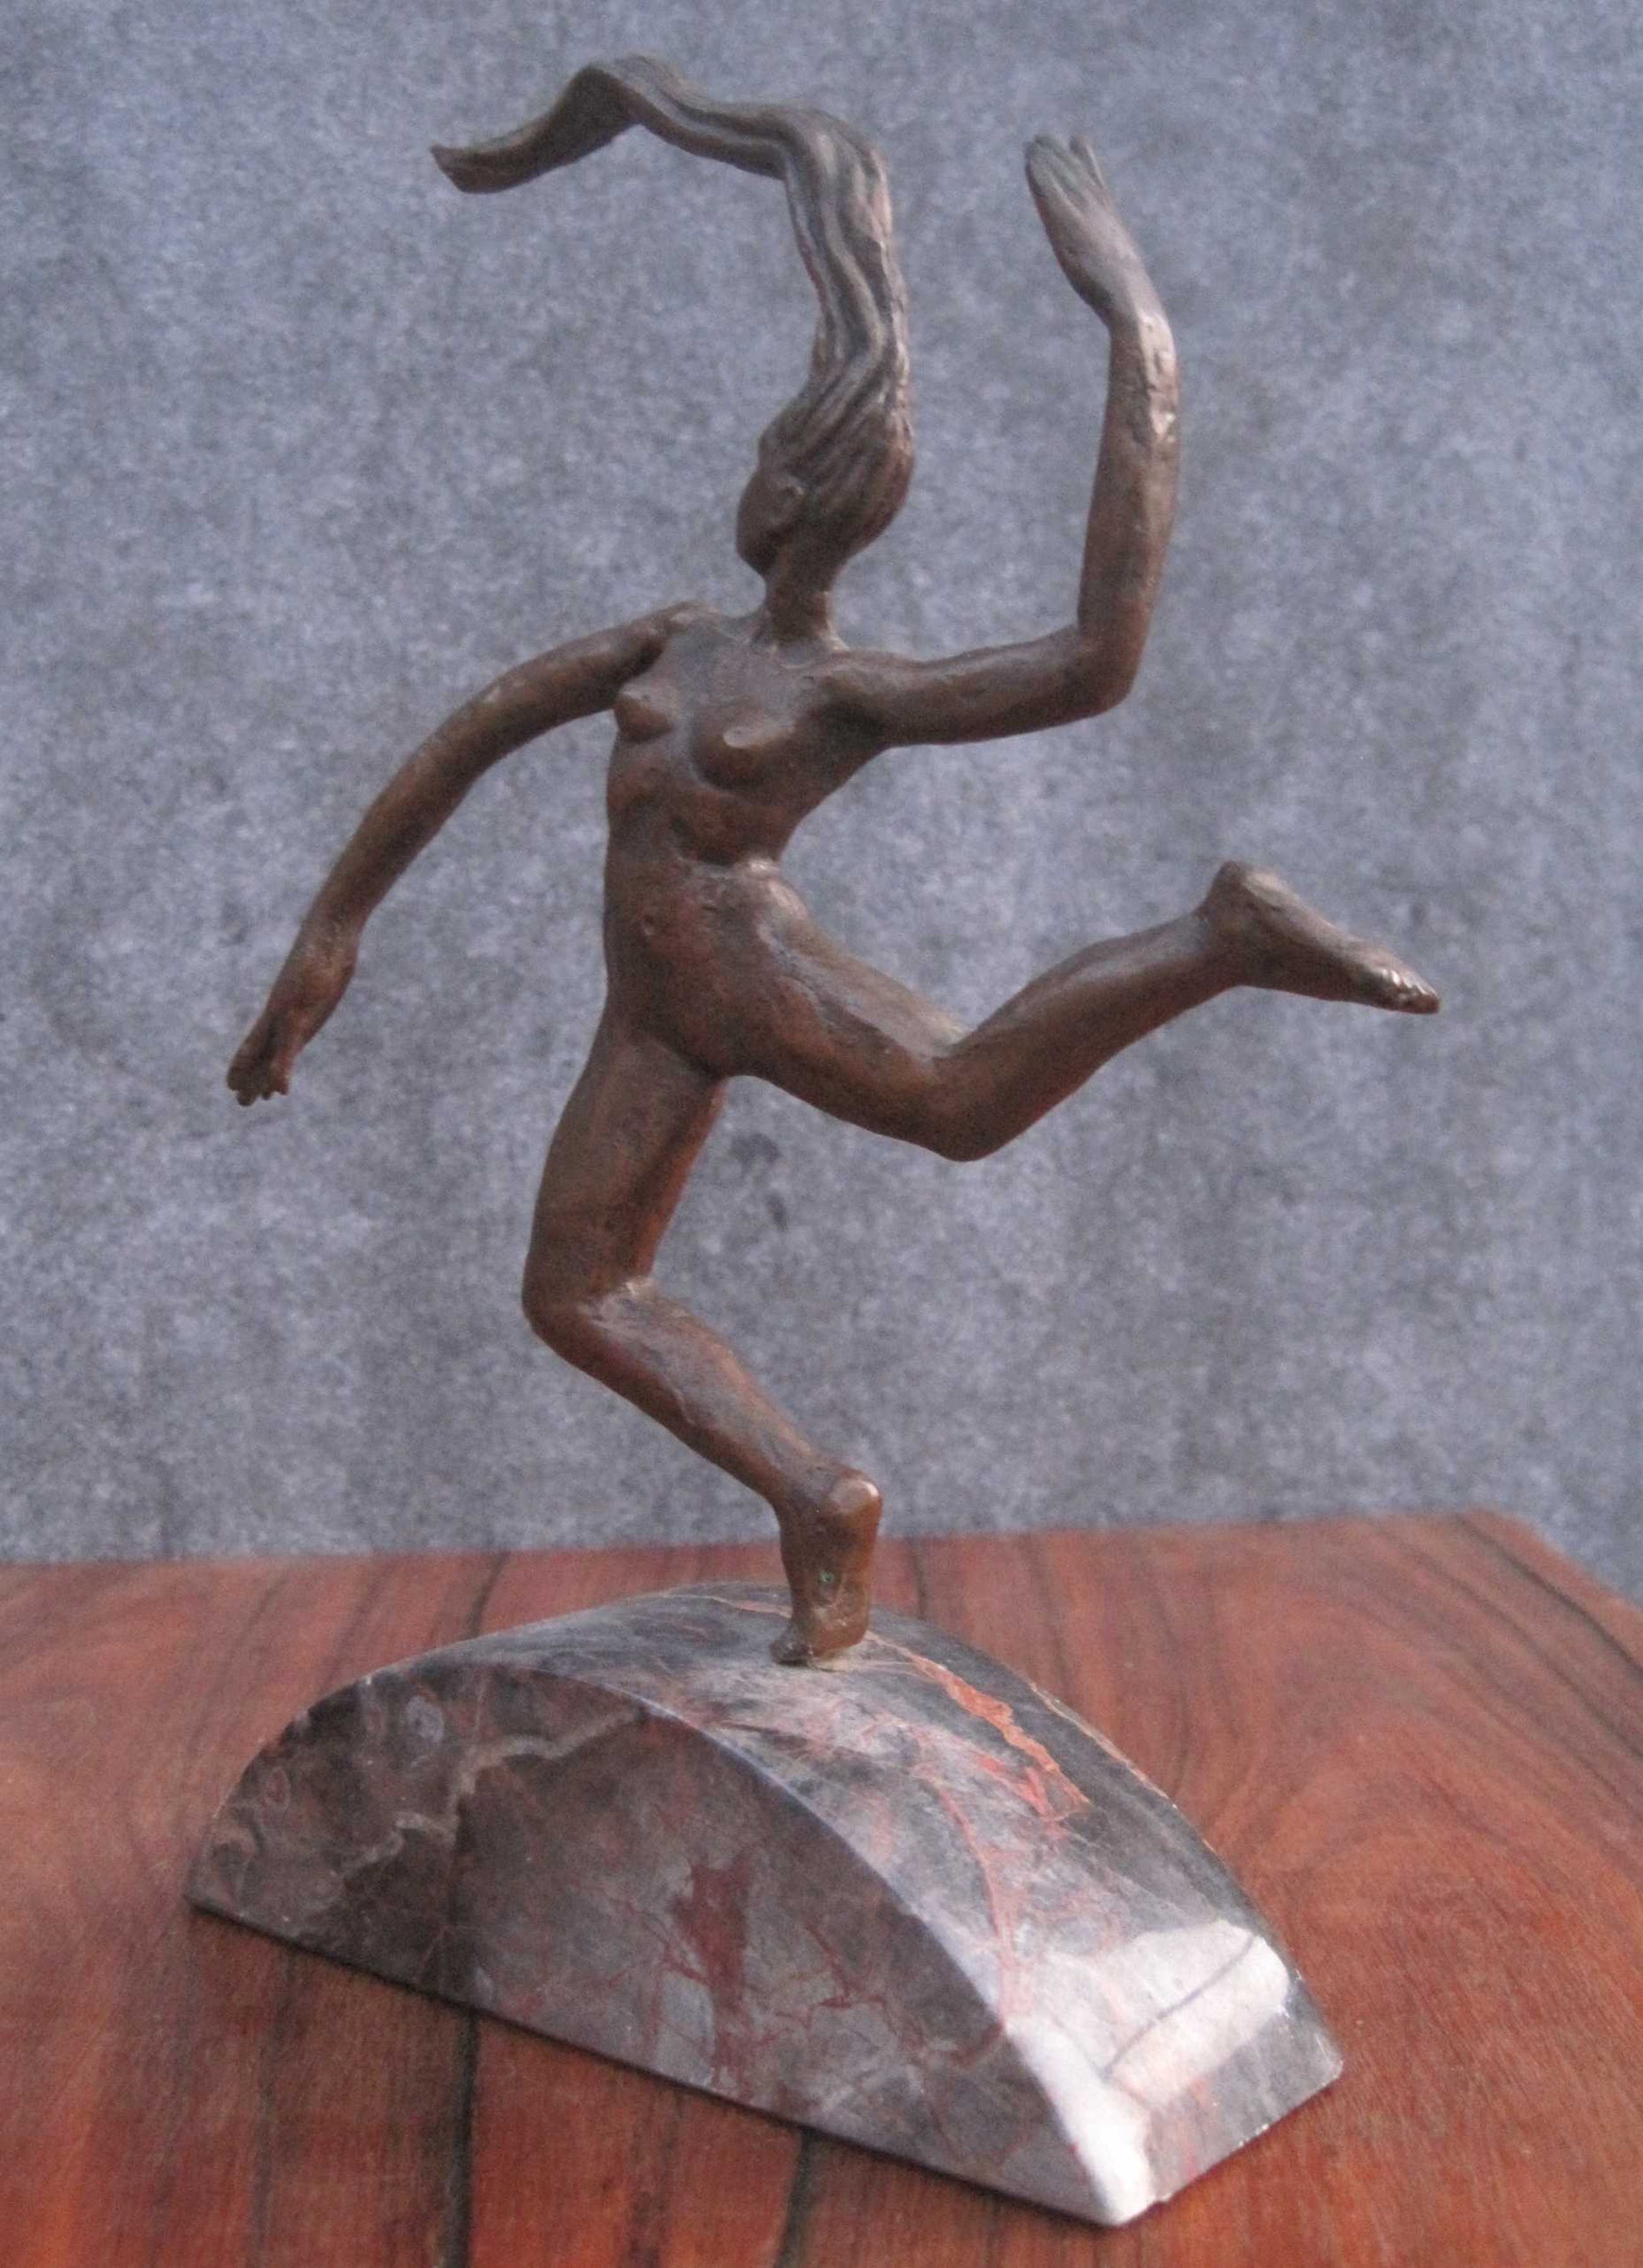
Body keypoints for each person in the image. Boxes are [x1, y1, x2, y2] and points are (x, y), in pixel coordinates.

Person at [228, 60, 1437, 1666]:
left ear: (791, 485)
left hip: (738, 968)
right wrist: (331, 932)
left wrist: (1135, 334)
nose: (747, 470)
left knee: (956, 1102)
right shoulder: (670, 640)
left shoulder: (842, 691)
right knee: (574, 1291)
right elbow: (467, 738)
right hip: (652, 1012)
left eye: (767, 451)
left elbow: (1095, 660)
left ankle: (1221, 937)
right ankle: (818, 1500)